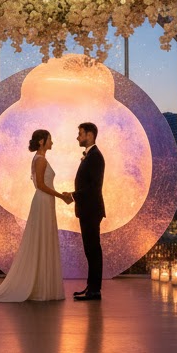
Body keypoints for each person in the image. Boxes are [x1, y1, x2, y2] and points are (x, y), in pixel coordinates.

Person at [0, 128, 66, 302]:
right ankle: (39, 287)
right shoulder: (41, 160)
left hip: (45, 201)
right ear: (41, 141)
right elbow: (41, 186)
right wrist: (62, 196)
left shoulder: (39, 159)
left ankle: (41, 286)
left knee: (42, 239)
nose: (52, 142)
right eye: (50, 139)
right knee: (41, 239)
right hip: (43, 201)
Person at [72, 121, 105, 302]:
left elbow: (94, 187)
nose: (78, 137)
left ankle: (95, 290)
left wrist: (73, 195)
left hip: (91, 210)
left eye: (80, 133)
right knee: (90, 250)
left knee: (93, 250)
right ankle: (91, 287)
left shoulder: (95, 157)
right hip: (87, 210)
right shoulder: (90, 155)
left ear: (90, 135)